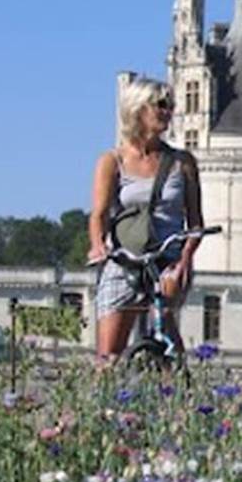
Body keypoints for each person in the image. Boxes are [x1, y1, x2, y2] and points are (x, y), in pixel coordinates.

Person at [88, 77, 205, 360]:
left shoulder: (182, 162)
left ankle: (174, 379)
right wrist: (98, 246)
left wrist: (184, 262)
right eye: (161, 105)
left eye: (170, 105)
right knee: (108, 354)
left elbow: (195, 223)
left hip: (167, 258)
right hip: (125, 257)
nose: (169, 111)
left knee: (164, 325)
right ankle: (108, 386)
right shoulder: (112, 161)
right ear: (138, 109)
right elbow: (99, 214)